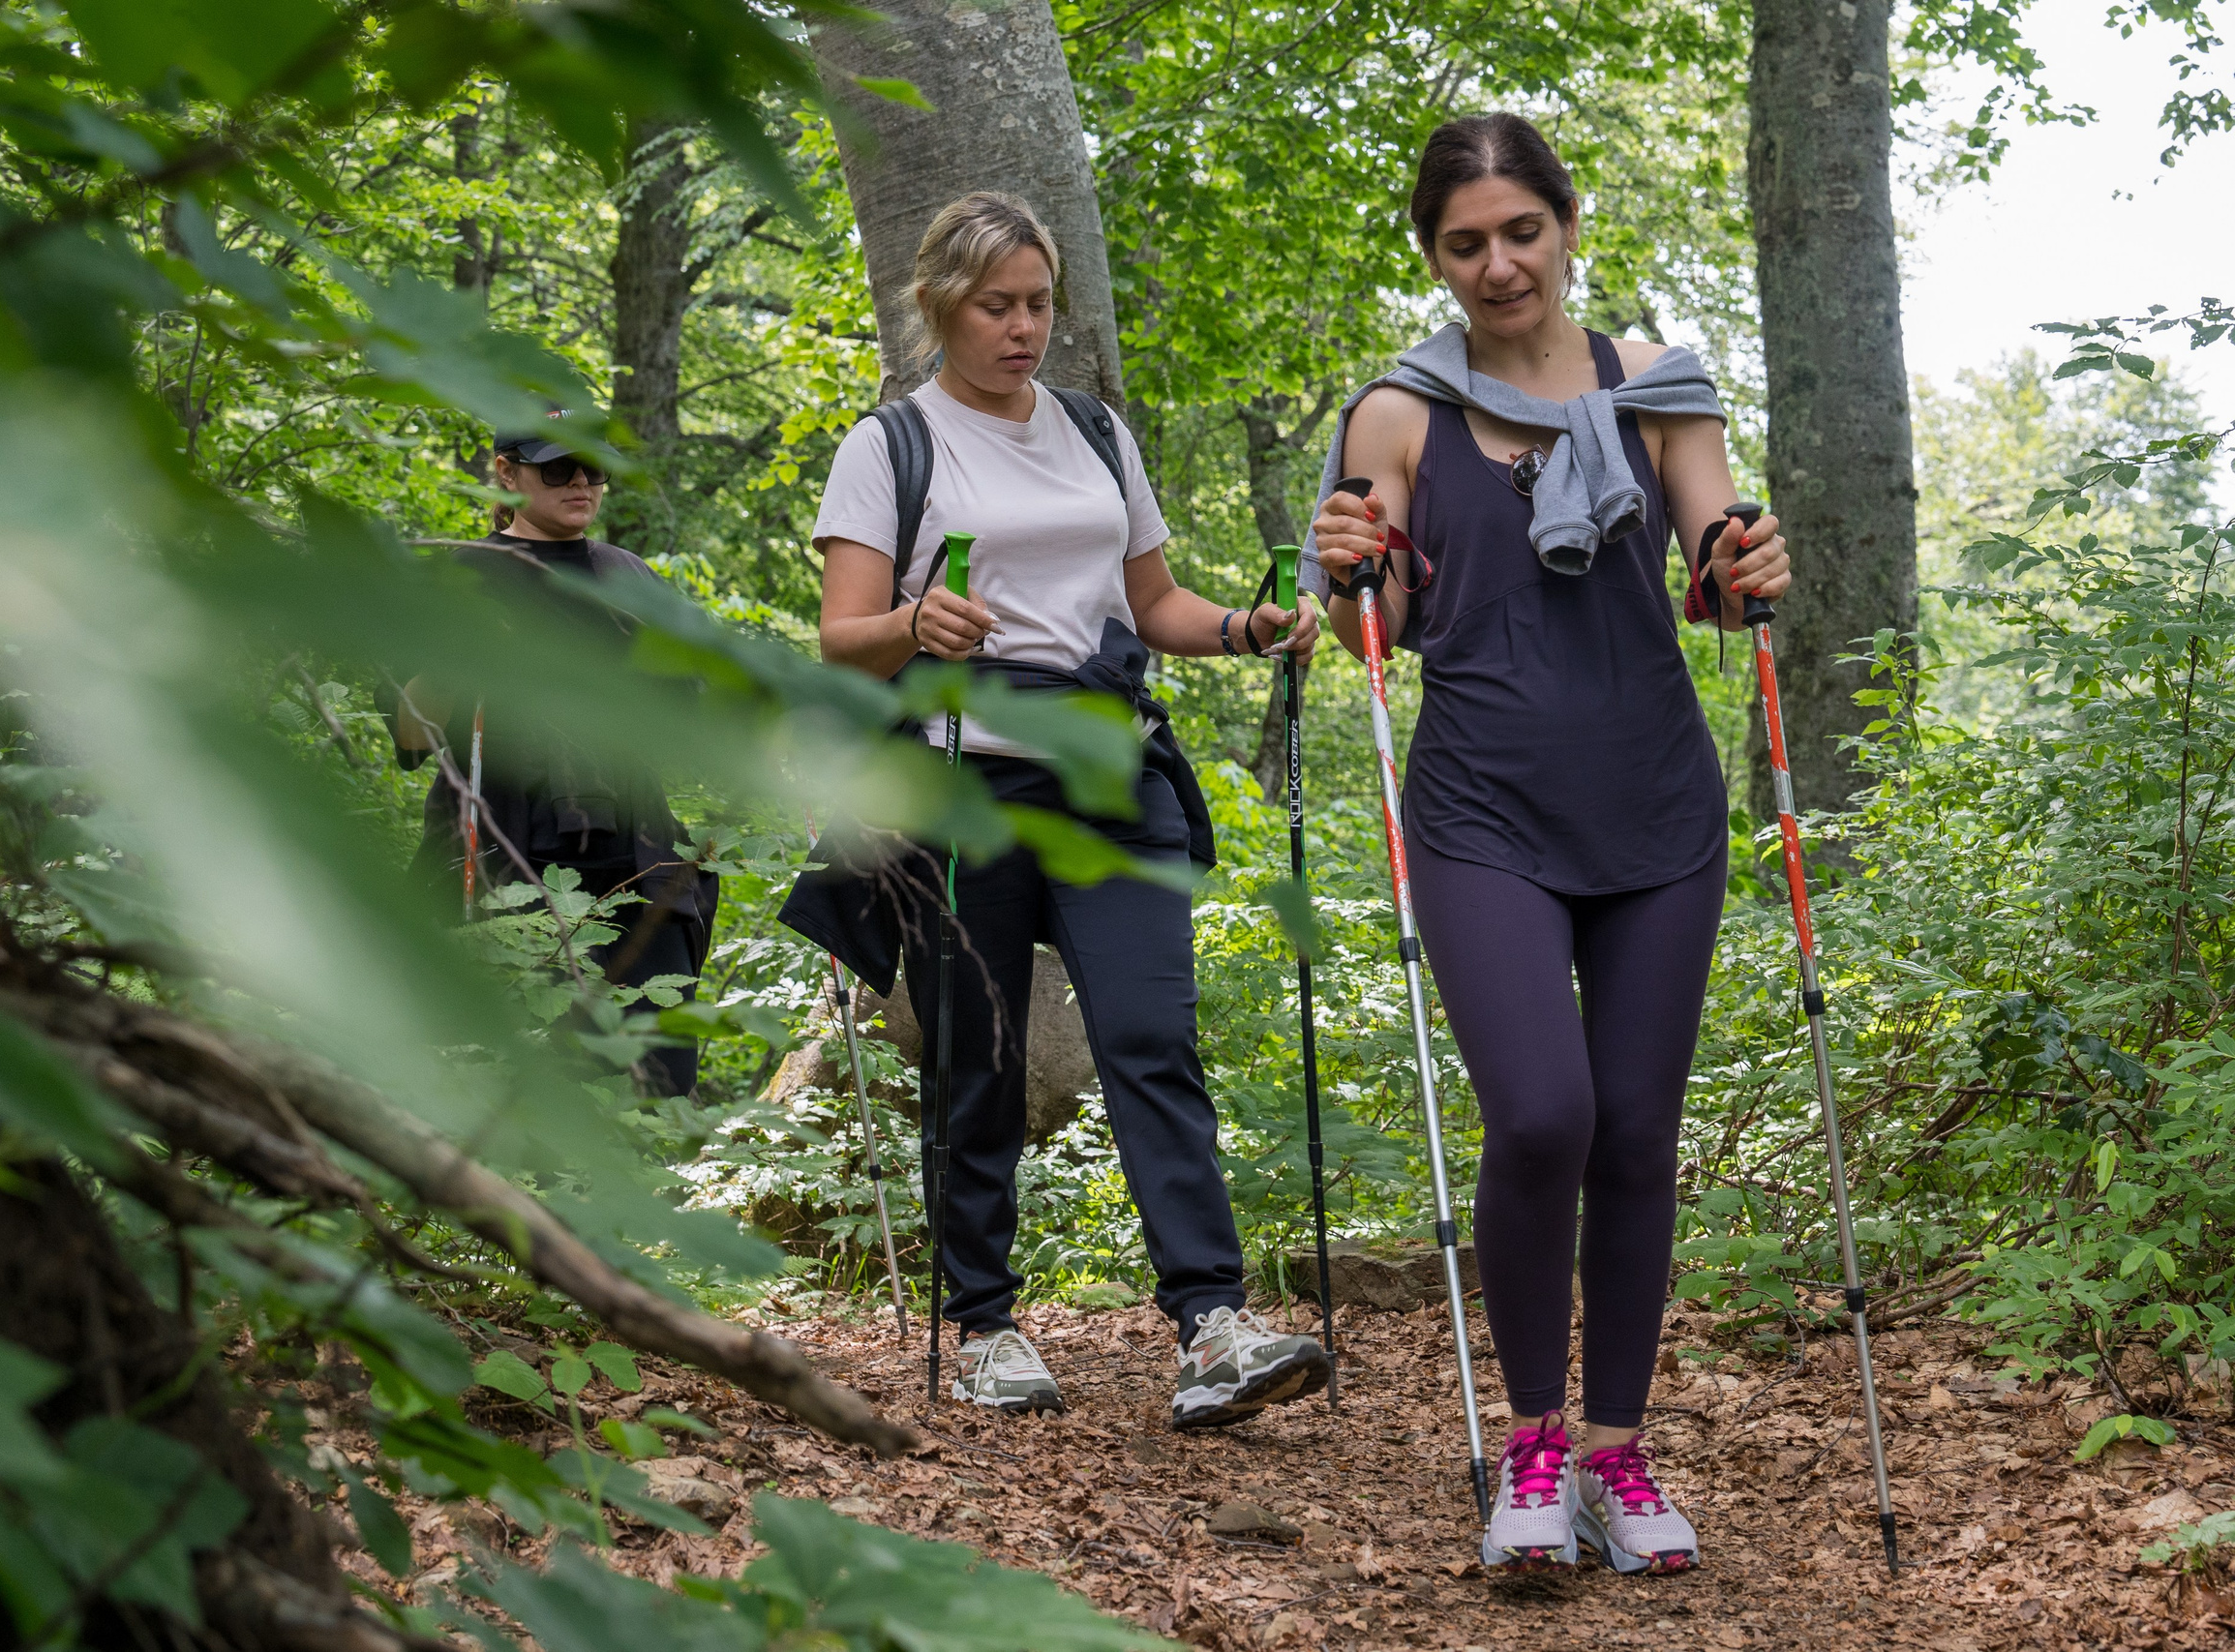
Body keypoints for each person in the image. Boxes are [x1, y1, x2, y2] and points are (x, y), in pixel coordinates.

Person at [1304, 113, 1792, 1574]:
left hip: (1654, 804)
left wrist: (1746, 561)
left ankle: (1618, 1454)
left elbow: (1716, 571)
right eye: (1467, 242)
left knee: (1637, 1132)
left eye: (1523, 230)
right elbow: (1362, 624)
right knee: (1541, 1116)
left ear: (1568, 225)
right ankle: (1528, 1446)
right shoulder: (1396, 412)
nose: (1500, 263)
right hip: (1479, 810)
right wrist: (1345, 573)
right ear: (1433, 255)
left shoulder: (1660, 388)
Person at [787, 191, 1330, 1428]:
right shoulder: (891, 445)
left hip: (1105, 765)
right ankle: (982, 1324)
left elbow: (1154, 604)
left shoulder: (1094, 430)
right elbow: (839, 642)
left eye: (1038, 303)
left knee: (1151, 1036)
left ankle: (1210, 1322)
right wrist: (916, 624)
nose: (1025, 327)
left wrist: (1244, 630)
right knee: (974, 1058)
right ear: (940, 306)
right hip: (961, 773)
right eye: (998, 306)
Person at [394, 418, 717, 1098]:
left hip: (637, 867)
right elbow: (412, 735)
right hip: (501, 860)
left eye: (593, 469)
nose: (581, 483)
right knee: (523, 1096)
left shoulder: (628, 577)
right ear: (506, 472)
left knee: (656, 1092)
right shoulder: (460, 570)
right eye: (558, 469)